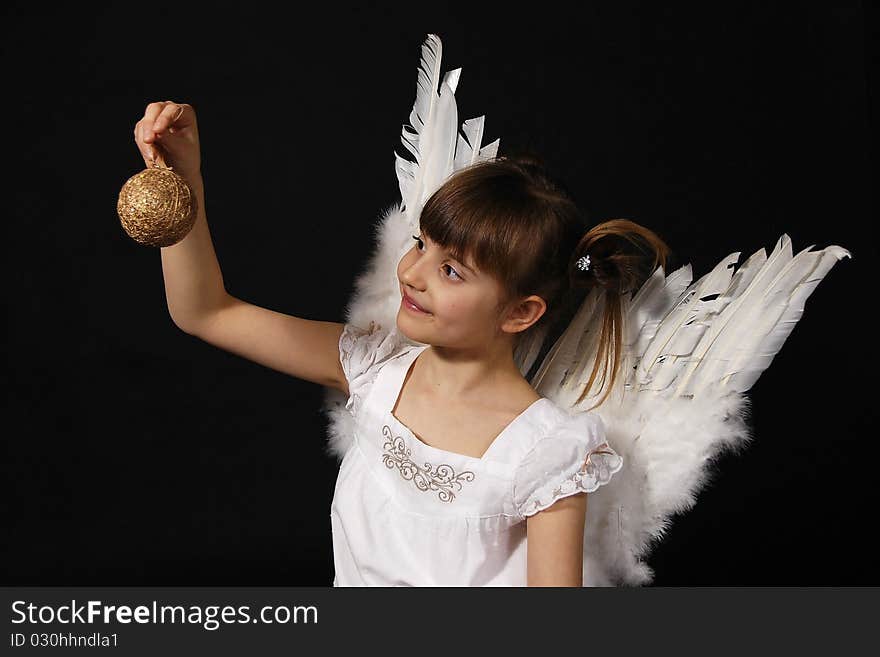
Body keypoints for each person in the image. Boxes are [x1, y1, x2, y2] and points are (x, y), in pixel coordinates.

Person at [132, 100, 669, 586]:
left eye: (452, 271)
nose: (413, 274)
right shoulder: (374, 367)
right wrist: (186, 183)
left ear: (520, 312)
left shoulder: (546, 455)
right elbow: (205, 312)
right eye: (421, 244)